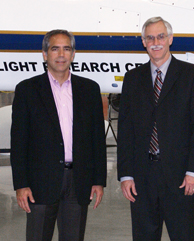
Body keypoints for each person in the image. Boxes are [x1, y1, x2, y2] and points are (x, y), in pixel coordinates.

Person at [117, 17, 194, 241]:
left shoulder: (192, 75)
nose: (155, 42)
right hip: (142, 179)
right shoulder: (132, 78)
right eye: (150, 37)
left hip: (182, 178)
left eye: (160, 36)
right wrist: (126, 175)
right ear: (143, 42)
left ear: (170, 39)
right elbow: (126, 129)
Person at [10, 29, 107, 241]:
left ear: (73, 54)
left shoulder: (90, 90)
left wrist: (99, 180)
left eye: (66, 49)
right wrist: (21, 184)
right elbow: (18, 143)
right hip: (39, 184)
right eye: (55, 49)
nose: (61, 54)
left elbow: (97, 140)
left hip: (78, 183)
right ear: (45, 54)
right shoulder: (27, 90)